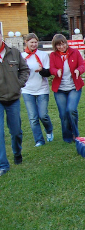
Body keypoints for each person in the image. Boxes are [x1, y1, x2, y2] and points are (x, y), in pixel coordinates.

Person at [0, 32, 30, 176]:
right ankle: (3, 165)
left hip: (13, 98)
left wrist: (19, 83)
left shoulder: (14, 53)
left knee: (16, 131)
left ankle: (17, 153)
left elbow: (24, 69)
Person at [49, 34, 85, 143]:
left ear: (66, 43)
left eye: (63, 44)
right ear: (55, 46)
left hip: (74, 87)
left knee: (71, 110)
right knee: (63, 114)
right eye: (58, 45)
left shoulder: (75, 52)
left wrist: (78, 70)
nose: (61, 47)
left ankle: (75, 133)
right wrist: (56, 72)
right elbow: (51, 69)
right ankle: (67, 137)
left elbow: (82, 65)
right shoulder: (53, 55)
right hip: (60, 89)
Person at [21, 33, 54, 147]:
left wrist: (42, 70)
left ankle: (49, 130)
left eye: (35, 42)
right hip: (27, 89)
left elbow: (48, 72)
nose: (34, 44)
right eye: (31, 42)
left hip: (42, 89)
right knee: (33, 117)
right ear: (26, 42)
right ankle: (39, 140)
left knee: (43, 115)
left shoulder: (43, 55)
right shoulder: (22, 56)